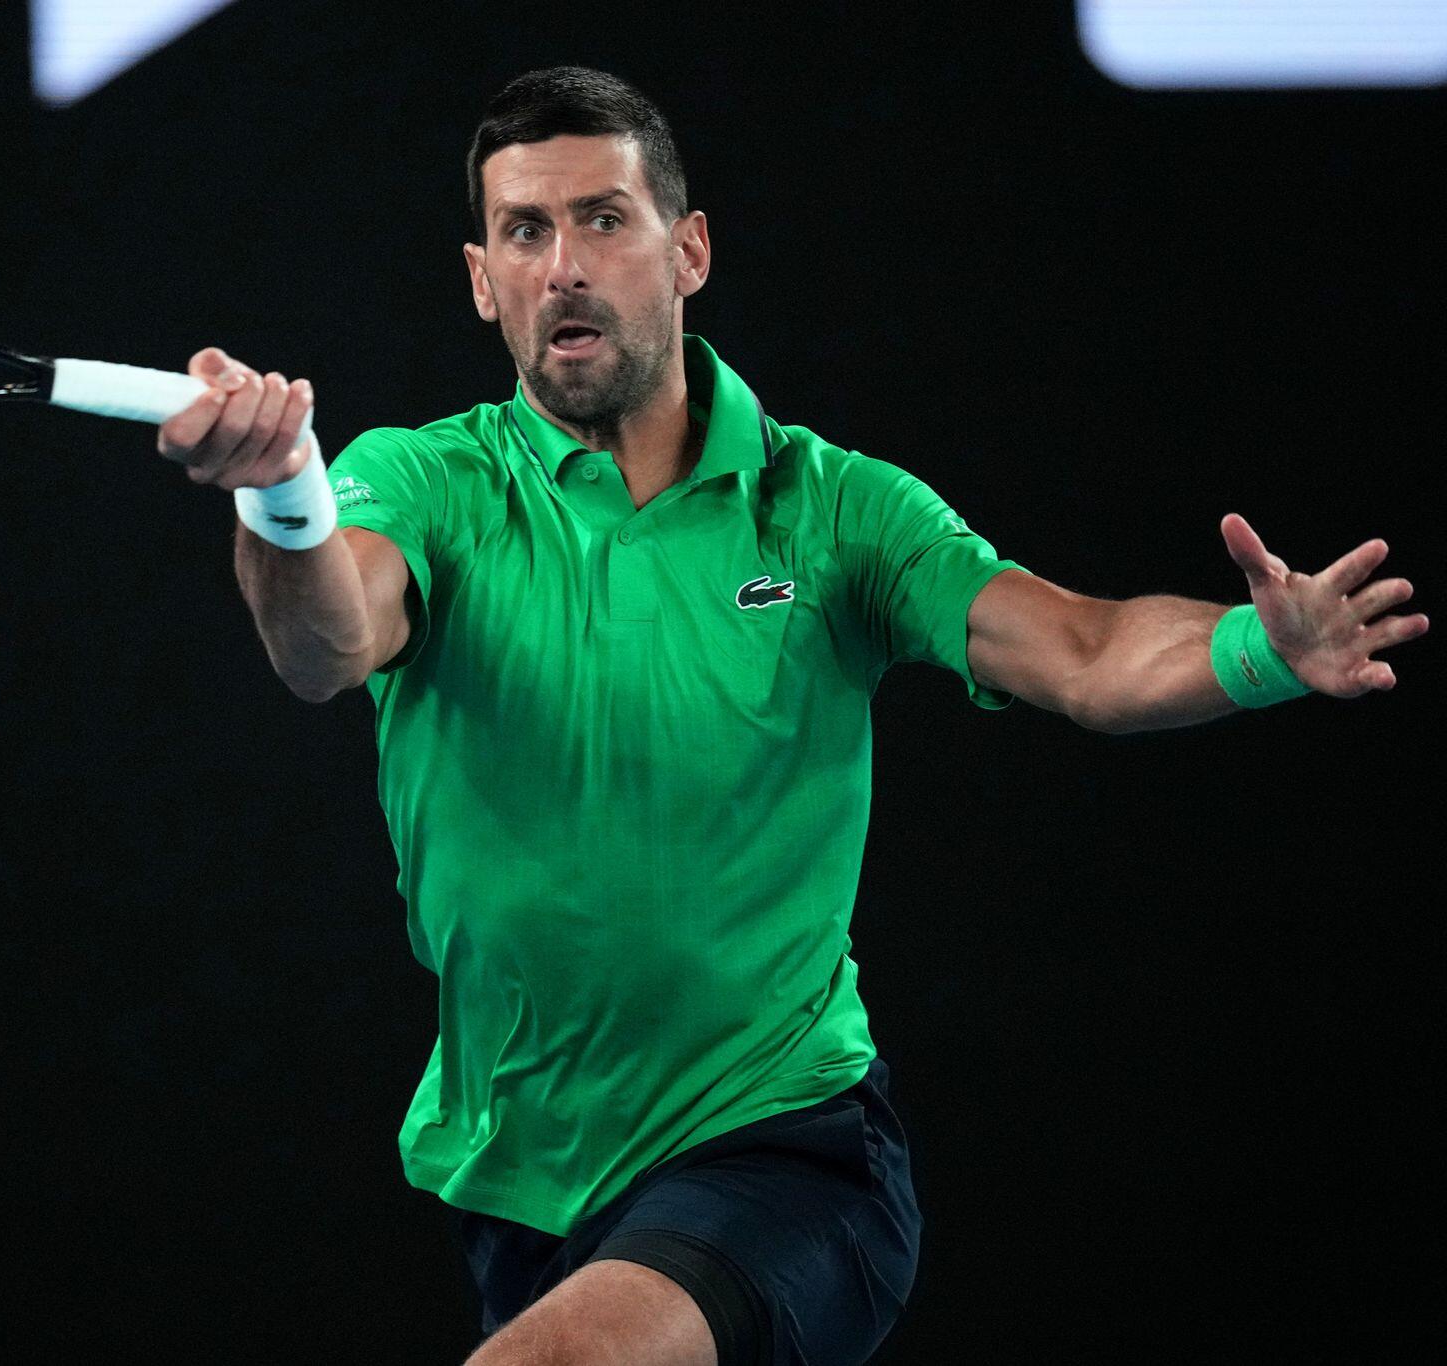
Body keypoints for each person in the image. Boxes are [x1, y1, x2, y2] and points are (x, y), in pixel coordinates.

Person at [152, 67, 1425, 1366]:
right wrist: (283, 498)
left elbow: (1088, 652)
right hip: (522, 1181)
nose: (564, 267)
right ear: (483, 279)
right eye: (525, 232)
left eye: (604, 219)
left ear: (689, 250)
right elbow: (324, 645)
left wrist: (1255, 648)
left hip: (783, 1150)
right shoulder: (422, 479)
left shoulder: (836, 511)